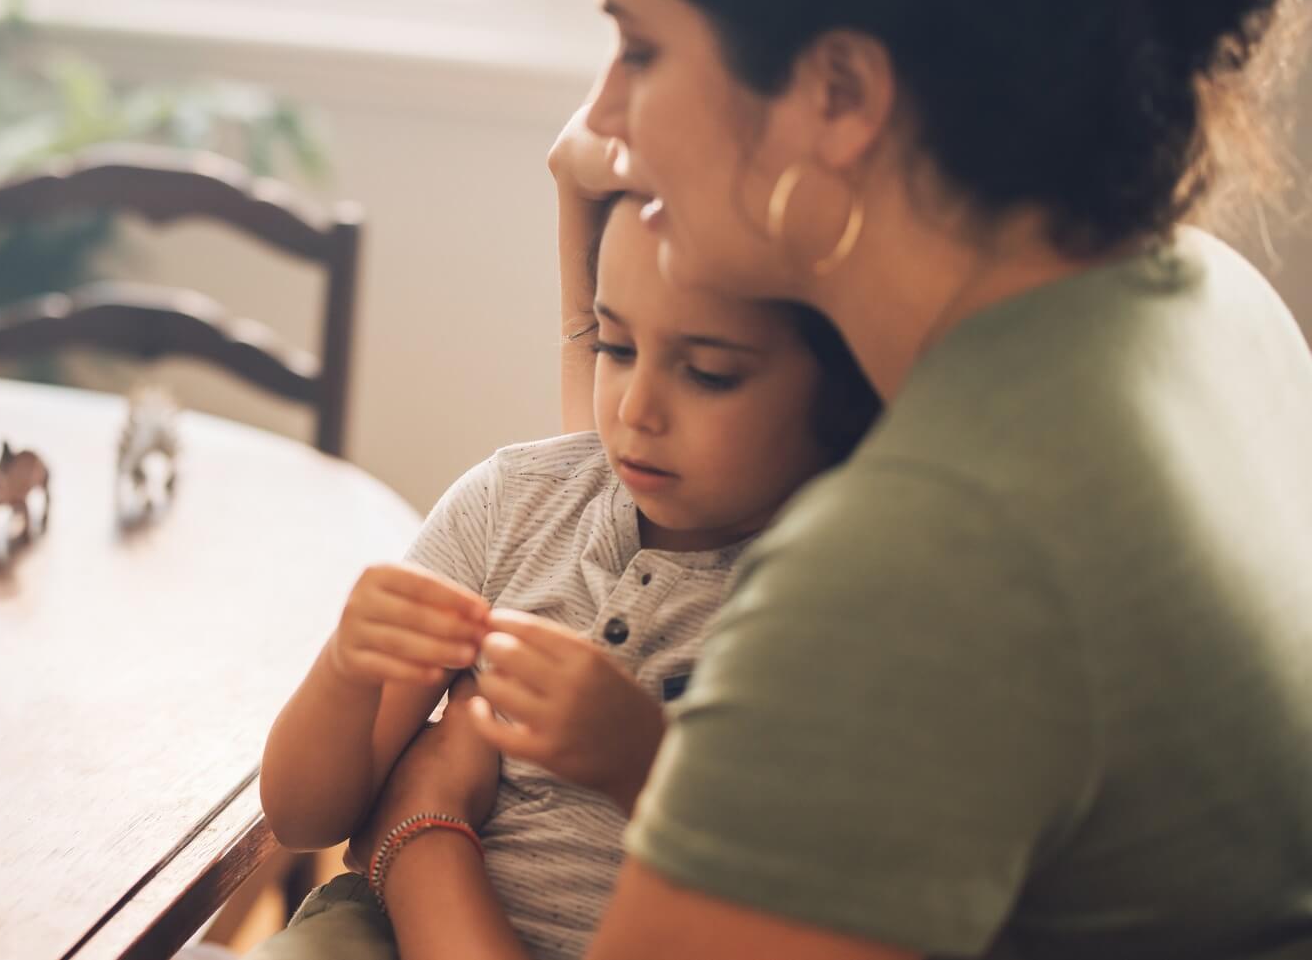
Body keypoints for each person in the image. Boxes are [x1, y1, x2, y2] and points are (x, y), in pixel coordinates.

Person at [363, 0, 1312, 958]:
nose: (605, 118)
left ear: (842, 95)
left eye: (642, 48)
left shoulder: (916, 560)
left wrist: (421, 824)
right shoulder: (1207, 300)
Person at [252, 197, 878, 960]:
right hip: (379, 930)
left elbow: (786, 900)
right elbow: (302, 818)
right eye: (613, 346)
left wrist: (638, 759)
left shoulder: (837, 599)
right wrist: (345, 671)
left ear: (841, 388)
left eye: (708, 373)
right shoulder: (511, 502)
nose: (634, 408)